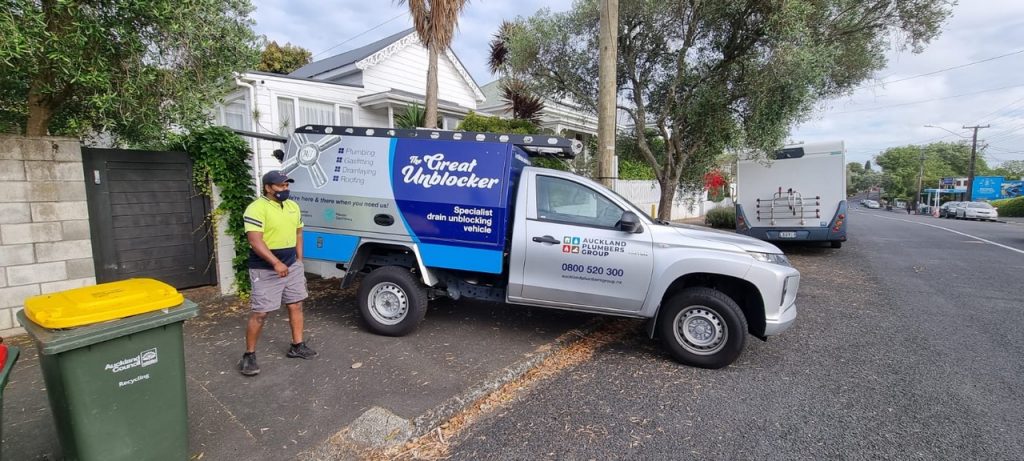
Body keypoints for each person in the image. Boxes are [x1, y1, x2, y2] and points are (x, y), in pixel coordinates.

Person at [239, 170, 317, 376]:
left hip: (291, 265)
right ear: (268, 187)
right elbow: (255, 241)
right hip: (265, 268)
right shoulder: (256, 209)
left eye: (286, 185)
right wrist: (275, 263)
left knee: (296, 304)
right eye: (281, 185)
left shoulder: (293, 206)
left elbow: (298, 232)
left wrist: (299, 260)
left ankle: (297, 346)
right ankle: (249, 355)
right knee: (261, 313)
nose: (285, 189)